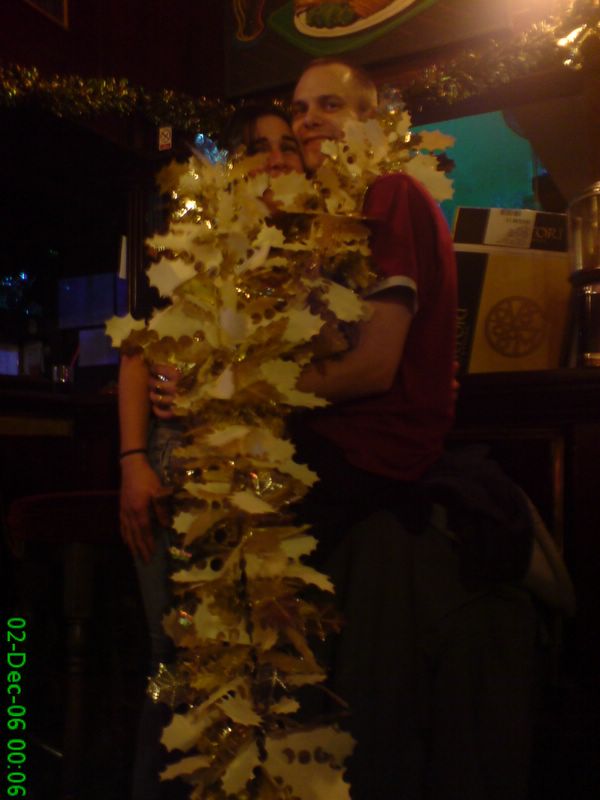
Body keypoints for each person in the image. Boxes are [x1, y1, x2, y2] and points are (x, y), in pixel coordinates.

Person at [144, 60, 574, 800]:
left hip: (367, 451)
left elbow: (373, 368)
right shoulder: (326, 214)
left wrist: (230, 390)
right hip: (337, 443)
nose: (308, 120)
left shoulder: (390, 192)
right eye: (300, 108)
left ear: (374, 121)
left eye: (330, 106)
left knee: (208, 542)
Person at [118, 104, 304, 800]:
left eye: (290, 146)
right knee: (173, 656)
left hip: (263, 476)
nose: (277, 158)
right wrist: (132, 461)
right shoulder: (198, 239)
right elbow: (137, 353)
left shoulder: (313, 252)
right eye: (259, 148)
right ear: (237, 167)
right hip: (174, 465)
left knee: (260, 661)